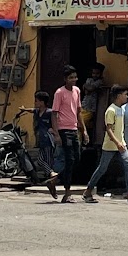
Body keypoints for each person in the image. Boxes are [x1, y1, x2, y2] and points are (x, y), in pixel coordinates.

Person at [83, 87, 128, 202]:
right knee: (102, 169)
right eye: (125, 94)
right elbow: (108, 129)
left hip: (121, 144)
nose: (126, 97)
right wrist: (117, 142)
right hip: (110, 146)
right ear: (119, 95)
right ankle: (88, 190)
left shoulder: (121, 110)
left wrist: (121, 142)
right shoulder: (111, 110)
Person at [51, 66, 88, 203]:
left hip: (74, 129)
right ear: (65, 79)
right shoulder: (59, 93)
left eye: (75, 77)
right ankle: (67, 192)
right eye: (71, 77)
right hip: (63, 129)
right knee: (69, 159)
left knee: (76, 158)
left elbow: (79, 111)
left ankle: (54, 178)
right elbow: (54, 114)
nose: (74, 80)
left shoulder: (77, 91)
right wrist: (56, 134)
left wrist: (83, 130)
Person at [31, 90, 59, 199]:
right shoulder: (37, 112)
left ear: (42, 102)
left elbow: (56, 121)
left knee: (41, 161)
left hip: (48, 140)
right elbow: (31, 110)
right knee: (45, 162)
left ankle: (52, 173)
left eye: (37, 101)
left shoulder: (49, 112)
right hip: (41, 140)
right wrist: (23, 110)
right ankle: (52, 186)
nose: (35, 103)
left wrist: (55, 132)